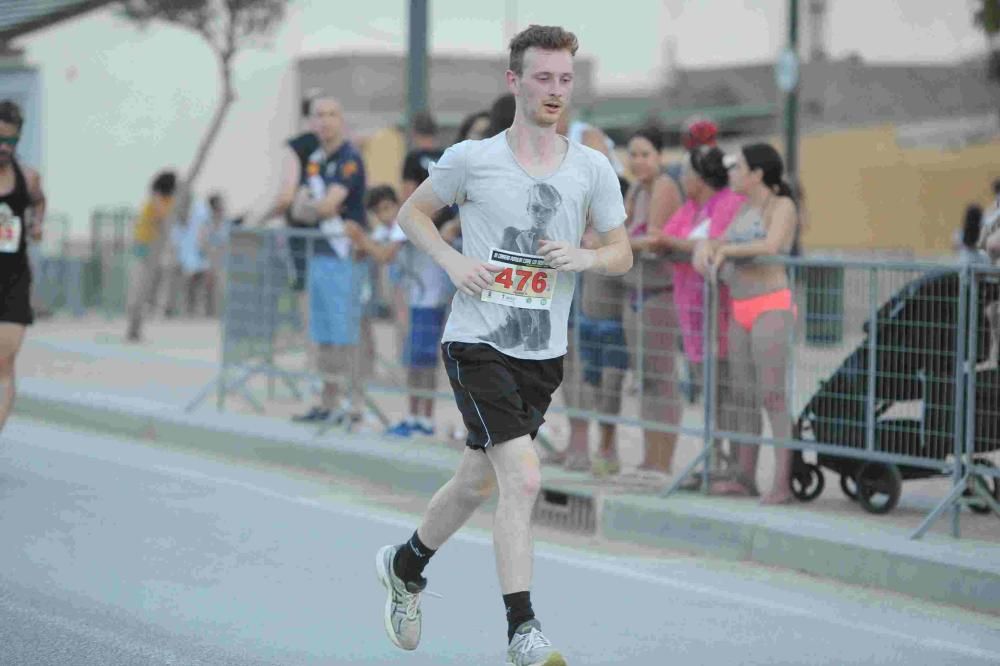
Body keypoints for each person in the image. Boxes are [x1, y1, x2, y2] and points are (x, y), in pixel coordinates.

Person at [375, 25, 631, 666]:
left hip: (541, 353)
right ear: (514, 81)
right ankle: (523, 629)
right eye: (543, 77)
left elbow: (623, 253)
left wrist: (587, 256)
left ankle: (406, 566)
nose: (555, 90)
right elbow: (411, 214)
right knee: (521, 477)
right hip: (476, 343)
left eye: (565, 79)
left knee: (474, 482)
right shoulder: (472, 159)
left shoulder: (591, 167)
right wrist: (451, 262)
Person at [693, 143, 800, 505]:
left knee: (773, 396)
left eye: (738, 167)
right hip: (739, 309)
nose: (732, 173)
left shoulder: (782, 205)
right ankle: (745, 476)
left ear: (757, 173)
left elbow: (772, 246)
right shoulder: (743, 208)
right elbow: (719, 240)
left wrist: (725, 250)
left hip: (771, 307)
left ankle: (783, 481)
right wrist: (709, 249)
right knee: (744, 398)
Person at [655, 146, 745, 483]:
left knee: (726, 394)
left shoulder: (729, 204)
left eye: (686, 173)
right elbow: (668, 237)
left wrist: (678, 244)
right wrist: (681, 244)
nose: (682, 179)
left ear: (702, 176)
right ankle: (715, 460)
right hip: (693, 311)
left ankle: (732, 464)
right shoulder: (690, 207)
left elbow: (712, 243)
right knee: (710, 394)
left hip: (721, 313)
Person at [281, 96, 368, 425]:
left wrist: (307, 207)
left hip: (344, 257)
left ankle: (352, 404)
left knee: (345, 333)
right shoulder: (314, 160)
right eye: (319, 115)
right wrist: (306, 207)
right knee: (323, 335)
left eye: (332, 114)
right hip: (319, 255)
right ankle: (327, 402)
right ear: (311, 122)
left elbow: (327, 206)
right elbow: (297, 207)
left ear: (341, 119)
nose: (325, 121)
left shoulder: (349, 158)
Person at [620, 126, 684, 483]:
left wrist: (614, 244)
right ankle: (649, 458)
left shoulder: (663, 187)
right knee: (645, 380)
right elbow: (623, 234)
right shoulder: (635, 191)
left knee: (663, 378)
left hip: (660, 293)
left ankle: (664, 461)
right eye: (634, 154)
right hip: (635, 293)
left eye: (646, 154)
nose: (639, 161)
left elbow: (653, 239)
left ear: (660, 157)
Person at [0, 100, 45, 434]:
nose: (5, 146)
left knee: (5, 362)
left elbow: (40, 200)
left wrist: (38, 224)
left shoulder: (27, 177)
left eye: (12, 140)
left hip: (13, 278)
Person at [125, 170, 177, 342]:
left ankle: (138, 323)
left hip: (152, 246)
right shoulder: (158, 199)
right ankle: (135, 325)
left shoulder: (165, 200)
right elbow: (162, 219)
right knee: (141, 286)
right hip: (146, 246)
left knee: (146, 287)